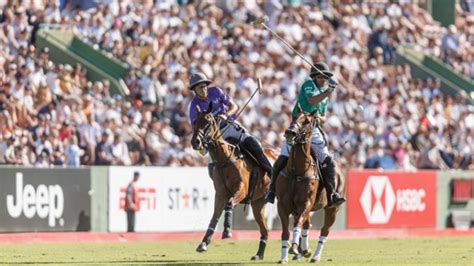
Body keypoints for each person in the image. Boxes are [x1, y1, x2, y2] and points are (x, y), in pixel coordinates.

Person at [265, 62, 346, 208]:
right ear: (314, 77)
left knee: (328, 160)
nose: (323, 80)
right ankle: (271, 190)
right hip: (298, 125)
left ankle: (332, 193)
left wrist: (318, 118)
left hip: (313, 130)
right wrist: (328, 91)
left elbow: (323, 117)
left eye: (325, 78)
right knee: (283, 157)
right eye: (321, 77)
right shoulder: (309, 85)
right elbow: (311, 100)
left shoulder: (325, 96)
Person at [188, 73, 273, 197]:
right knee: (212, 167)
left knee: (253, 143)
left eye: (205, 86)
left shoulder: (216, 91)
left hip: (229, 125)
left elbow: (234, 106)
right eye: (201, 87)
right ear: (194, 90)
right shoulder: (194, 106)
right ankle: (224, 191)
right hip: (213, 135)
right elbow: (195, 126)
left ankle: (272, 176)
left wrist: (226, 115)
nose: (204, 89)